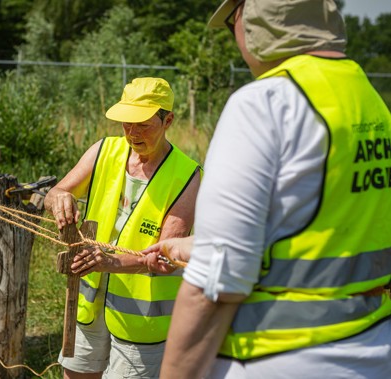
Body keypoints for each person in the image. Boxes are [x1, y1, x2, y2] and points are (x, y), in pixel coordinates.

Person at [142, 1, 391, 378]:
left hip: (274, 357)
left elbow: (216, 286)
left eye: (231, 22)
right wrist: (194, 244)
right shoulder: (368, 99)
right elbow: (322, 233)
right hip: (371, 348)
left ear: (253, 19)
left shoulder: (266, 104)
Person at [44, 77, 201, 379]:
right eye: (126, 123)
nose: (132, 133)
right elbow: (56, 192)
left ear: (168, 120)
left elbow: (166, 259)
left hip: (141, 319)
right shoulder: (104, 150)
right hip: (88, 302)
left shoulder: (187, 176)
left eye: (142, 124)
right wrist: (60, 198)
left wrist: (108, 261)